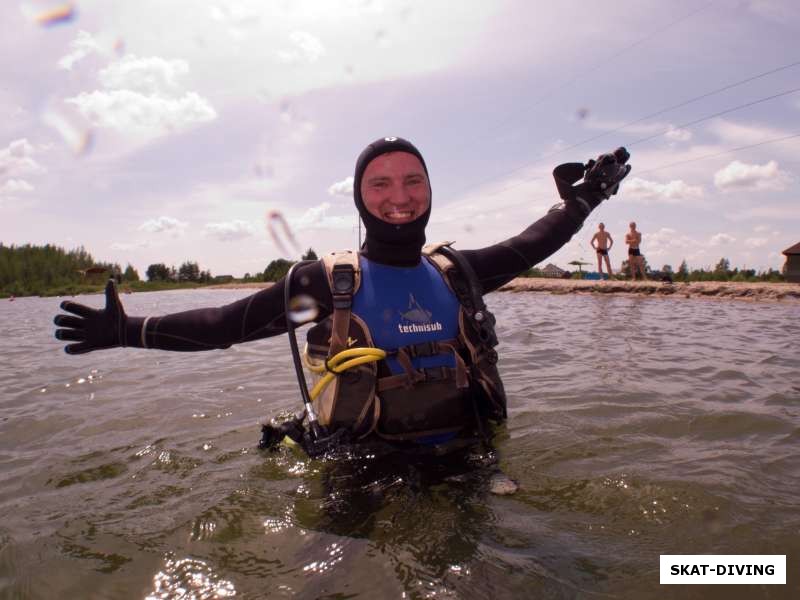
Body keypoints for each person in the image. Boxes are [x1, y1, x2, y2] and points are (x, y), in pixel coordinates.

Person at [54, 137, 631, 456]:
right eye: (380, 183)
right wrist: (126, 331)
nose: (398, 196)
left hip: (465, 463)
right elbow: (225, 324)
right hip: (361, 474)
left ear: (430, 189)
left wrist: (581, 201)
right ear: (359, 197)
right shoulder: (327, 284)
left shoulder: (458, 273)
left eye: (413, 180)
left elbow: (530, 243)